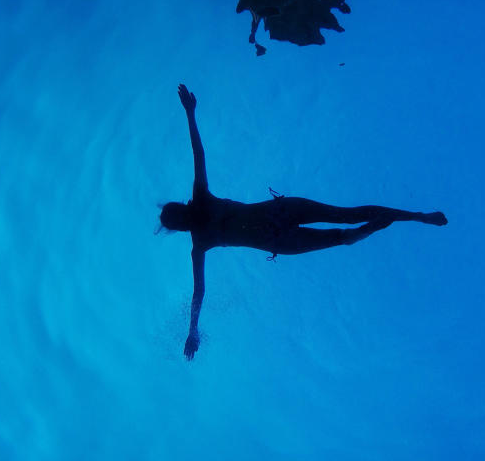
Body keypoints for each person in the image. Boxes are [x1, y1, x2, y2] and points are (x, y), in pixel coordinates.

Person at [161, 84, 448, 360]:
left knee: (342, 229)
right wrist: (190, 112)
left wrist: (193, 330)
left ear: (179, 224)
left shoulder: (200, 232)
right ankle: (403, 220)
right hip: (280, 221)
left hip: (277, 232)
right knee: (344, 220)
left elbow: (200, 290)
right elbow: (199, 154)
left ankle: (387, 225)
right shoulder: (200, 218)